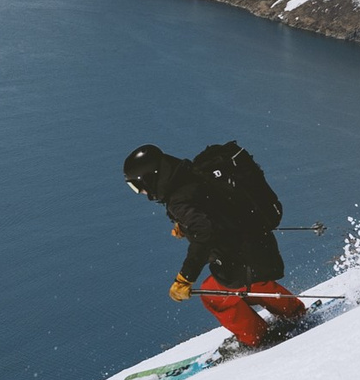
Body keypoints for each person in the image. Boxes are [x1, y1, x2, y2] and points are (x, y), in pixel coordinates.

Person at [122, 142, 307, 348]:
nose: (140, 192)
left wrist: (185, 277)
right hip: (260, 246)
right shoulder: (190, 174)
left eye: (137, 186)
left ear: (149, 178)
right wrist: (185, 225)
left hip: (244, 259)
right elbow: (214, 208)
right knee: (251, 284)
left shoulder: (178, 199)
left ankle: (257, 338)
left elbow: (204, 234)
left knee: (214, 294)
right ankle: (295, 312)